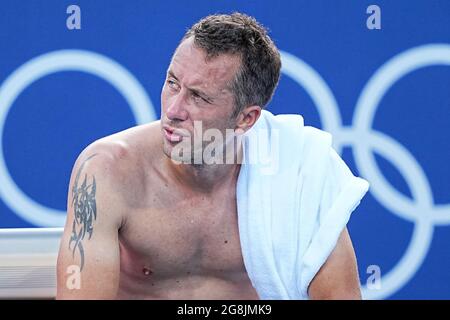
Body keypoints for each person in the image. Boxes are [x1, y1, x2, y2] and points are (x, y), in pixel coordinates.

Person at [56, 12, 364, 300]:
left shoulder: (299, 174)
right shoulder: (106, 171)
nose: (173, 111)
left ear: (246, 119)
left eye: (198, 97)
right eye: (172, 83)